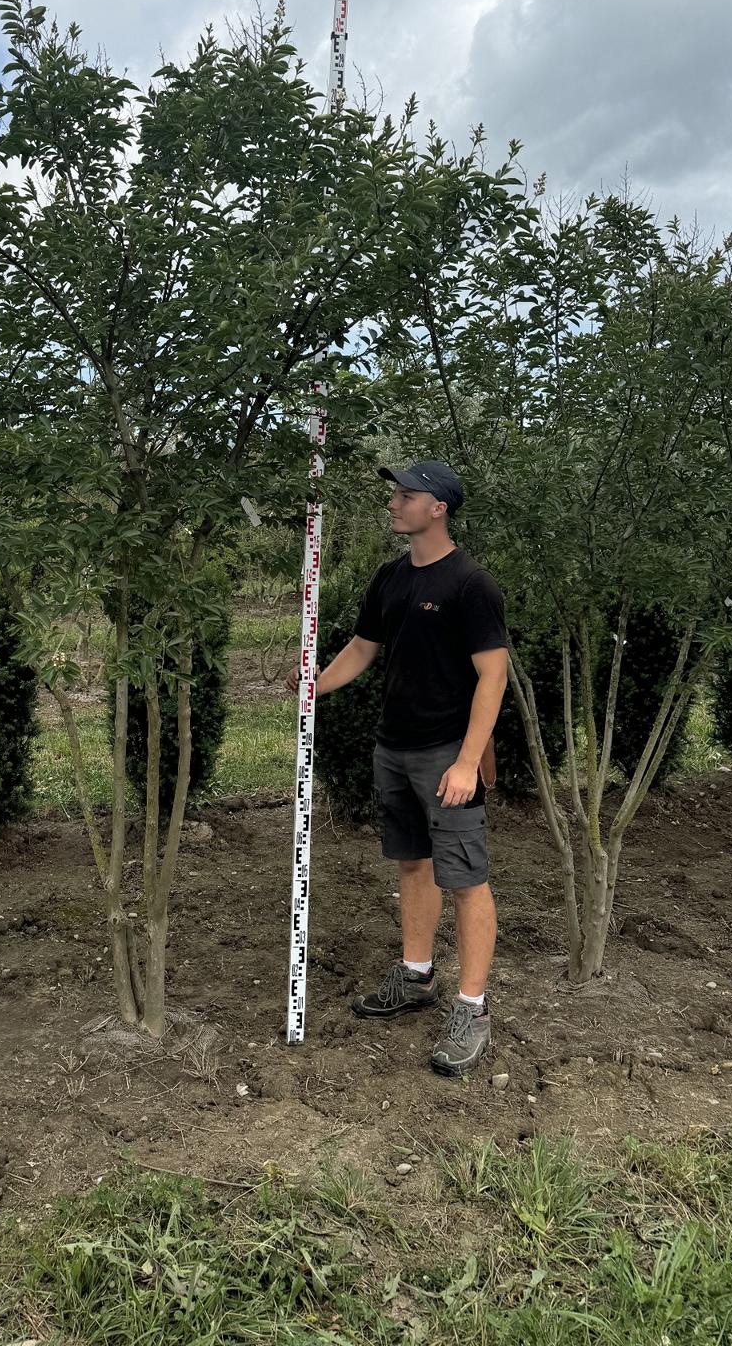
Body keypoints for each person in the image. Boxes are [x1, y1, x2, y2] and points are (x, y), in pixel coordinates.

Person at [289, 460, 508, 1076]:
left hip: (447, 756)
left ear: (438, 507)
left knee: (464, 879)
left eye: (406, 496)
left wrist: (468, 761)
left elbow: (494, 675)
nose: (395, 503)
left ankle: (472, 1008)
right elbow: (362, 649)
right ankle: (416, 976)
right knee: (413, 863)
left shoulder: (471, 584)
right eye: (396, 494)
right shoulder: (389, 578)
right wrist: (313, 685)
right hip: (394, 748)